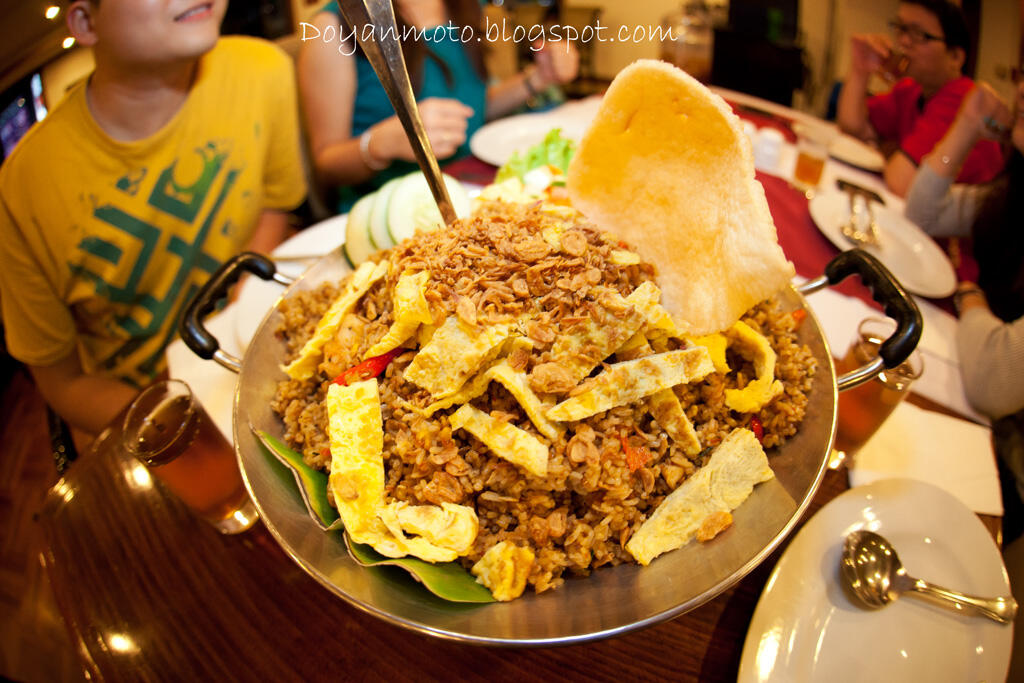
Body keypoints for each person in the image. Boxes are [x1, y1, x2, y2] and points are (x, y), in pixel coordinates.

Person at [0, 0, 307, 435]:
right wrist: (181, 425)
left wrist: (244, 301)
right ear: (86, 22)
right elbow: (61, 381)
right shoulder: (22, 185)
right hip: (148, 417)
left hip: (267, 354)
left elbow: (275, 204)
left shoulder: (262, 68)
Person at [299, 0, 579, 211]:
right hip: (391, 210)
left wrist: (538, 79)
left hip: (470, 191)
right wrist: (381, 144)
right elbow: (326, 164)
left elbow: (475, 109)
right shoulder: (332, 26)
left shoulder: (467, 6)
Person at [904, 79, 1024, 539]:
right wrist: (967, 128)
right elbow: (923, 214)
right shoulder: (1014, 195)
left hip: (1002, 459)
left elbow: (995, 379)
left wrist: (970, 296)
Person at [836, 0, 1004, 196]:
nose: (903, 42)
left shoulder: (966, 100)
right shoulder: (911, 89)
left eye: (918, 35)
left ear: (955, 57)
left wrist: (882, 148)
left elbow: (901, 183)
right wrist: (860, 69)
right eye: (901, 28)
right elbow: (853, 126)